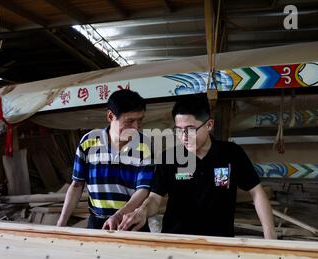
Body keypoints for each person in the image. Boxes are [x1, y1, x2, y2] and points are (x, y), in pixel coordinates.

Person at [115, 93, 276, 239]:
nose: (184, 137)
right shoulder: (169, 157)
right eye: (178, 130)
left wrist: (270, 234)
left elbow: (256, 192)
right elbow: (155, 198)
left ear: (209, 125)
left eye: (190, 129)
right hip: (176, 240)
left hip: (220, 241)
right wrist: (142, 211)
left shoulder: (231, 153)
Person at [56, 89, 154, 231]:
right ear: (110, 116)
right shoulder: (88, 142)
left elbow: (142, 190)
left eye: (140, 121)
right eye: (129, 121)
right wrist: (61, 224)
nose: (135, 127)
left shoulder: (144, 146)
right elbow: (77, 185)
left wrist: (119, 215)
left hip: (130, 221)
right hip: (97, 223)